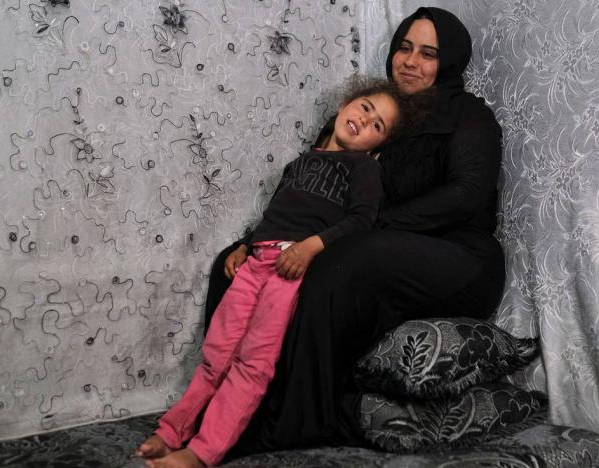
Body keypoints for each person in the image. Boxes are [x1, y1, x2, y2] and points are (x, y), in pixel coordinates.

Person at [210, 6, 506, 455]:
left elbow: (466, 194)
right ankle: (223, 409)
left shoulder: (468, 115)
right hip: (378, 244)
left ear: (449, 63)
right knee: (237, 263)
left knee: (342, 261)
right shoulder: (377, 115)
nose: (410, 61)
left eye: (428, 54)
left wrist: (365, 229)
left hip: (460, 258)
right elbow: (315, 192)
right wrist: (255, 242)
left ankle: (298, 423)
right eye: (404, 48)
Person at [135, 79, 412, 468]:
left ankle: (202, 453)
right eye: (365, 107)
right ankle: (171, 433)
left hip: (290, 270)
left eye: (377, 125)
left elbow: (362, 220)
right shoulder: (299, 164)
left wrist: (311, 247)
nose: (365, 120)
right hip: (256, 262)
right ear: (347, 104)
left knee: (253, 363)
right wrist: (245, 245)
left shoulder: (363, 167)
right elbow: (275, 215)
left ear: (376, 146)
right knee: (217, 352)